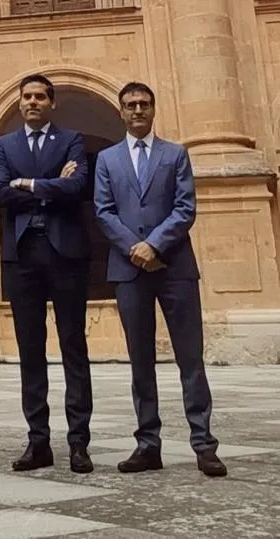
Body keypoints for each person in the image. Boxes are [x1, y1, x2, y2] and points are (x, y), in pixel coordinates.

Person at [93, 82, 226, 477]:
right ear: (121, 112)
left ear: (153, 109)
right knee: (140, 361)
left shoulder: (175, 154)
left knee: (191, 359)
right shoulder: (107, 159)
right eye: (130, 105)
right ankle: (147, 444)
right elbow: (103, 211)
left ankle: (204, 444)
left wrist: (153, 246)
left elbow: (185, 208)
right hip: (128, 269)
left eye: (144, 104)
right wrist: (135, 249)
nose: (137, 110)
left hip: (175, 267)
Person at [0, 74, 94, 474]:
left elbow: (78, 186)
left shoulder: (71, 139)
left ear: (51, 103)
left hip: (65, 252)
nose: (32, 102)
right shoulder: (6, 144)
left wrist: (28, 184)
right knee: (30, 351)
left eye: (39, 97)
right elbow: (0, 193)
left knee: (73, 346)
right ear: (20, 103)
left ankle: (79, 443)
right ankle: (38, 442)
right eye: (27, 97)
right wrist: (52, 186)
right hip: (23, 255)